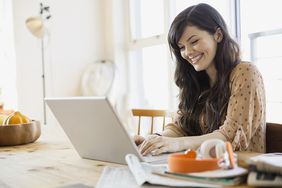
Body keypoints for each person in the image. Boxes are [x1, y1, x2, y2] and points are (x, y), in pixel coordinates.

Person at [134, 3, 266, 156]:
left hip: (240, 171)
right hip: (205, 171)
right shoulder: (196, 80)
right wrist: (154, 140)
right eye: (182, 47)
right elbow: (180, 127)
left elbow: (229, 136)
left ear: (218, 35)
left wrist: (176, 144)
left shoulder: (245, 72)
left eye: (194, 41)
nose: (188, 52)